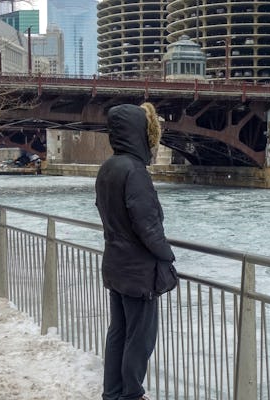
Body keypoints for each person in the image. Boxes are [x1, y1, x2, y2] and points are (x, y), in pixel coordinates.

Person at [95, 103, 175, 400]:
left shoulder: (108, 167)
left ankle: (112, 392)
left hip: (115, 264)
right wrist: (167, 255)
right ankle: (132, 394)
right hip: (138, 270)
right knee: (140, 338)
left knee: (119, 332)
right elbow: (147, 224)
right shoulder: (135, 172)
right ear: (139, 133)